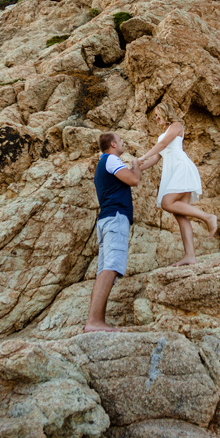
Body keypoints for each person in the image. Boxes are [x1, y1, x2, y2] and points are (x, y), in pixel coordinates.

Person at [134, 102, 218, 266]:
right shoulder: (164, 133)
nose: (156, 118)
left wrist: (141, 157)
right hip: (173, 173)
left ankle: (208, 217)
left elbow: (163, 145)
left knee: (167, 203)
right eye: (155, 116)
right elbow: (156, 157)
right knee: (180, 216)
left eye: (158, 114)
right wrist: (137, 167)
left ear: (166, 112)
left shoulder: (176, 125)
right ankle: (190, 256)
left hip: (181, 169)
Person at [85, 131, 142, 332]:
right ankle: (93, 321)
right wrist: (135, 168)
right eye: (120, 140)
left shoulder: (106, 162)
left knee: (104, 270)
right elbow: (133, 180)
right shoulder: (111, 160)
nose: (123, 142)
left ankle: (96, 321)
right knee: (112, 267)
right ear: (113, 145)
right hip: (115, 218)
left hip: (107, 219)